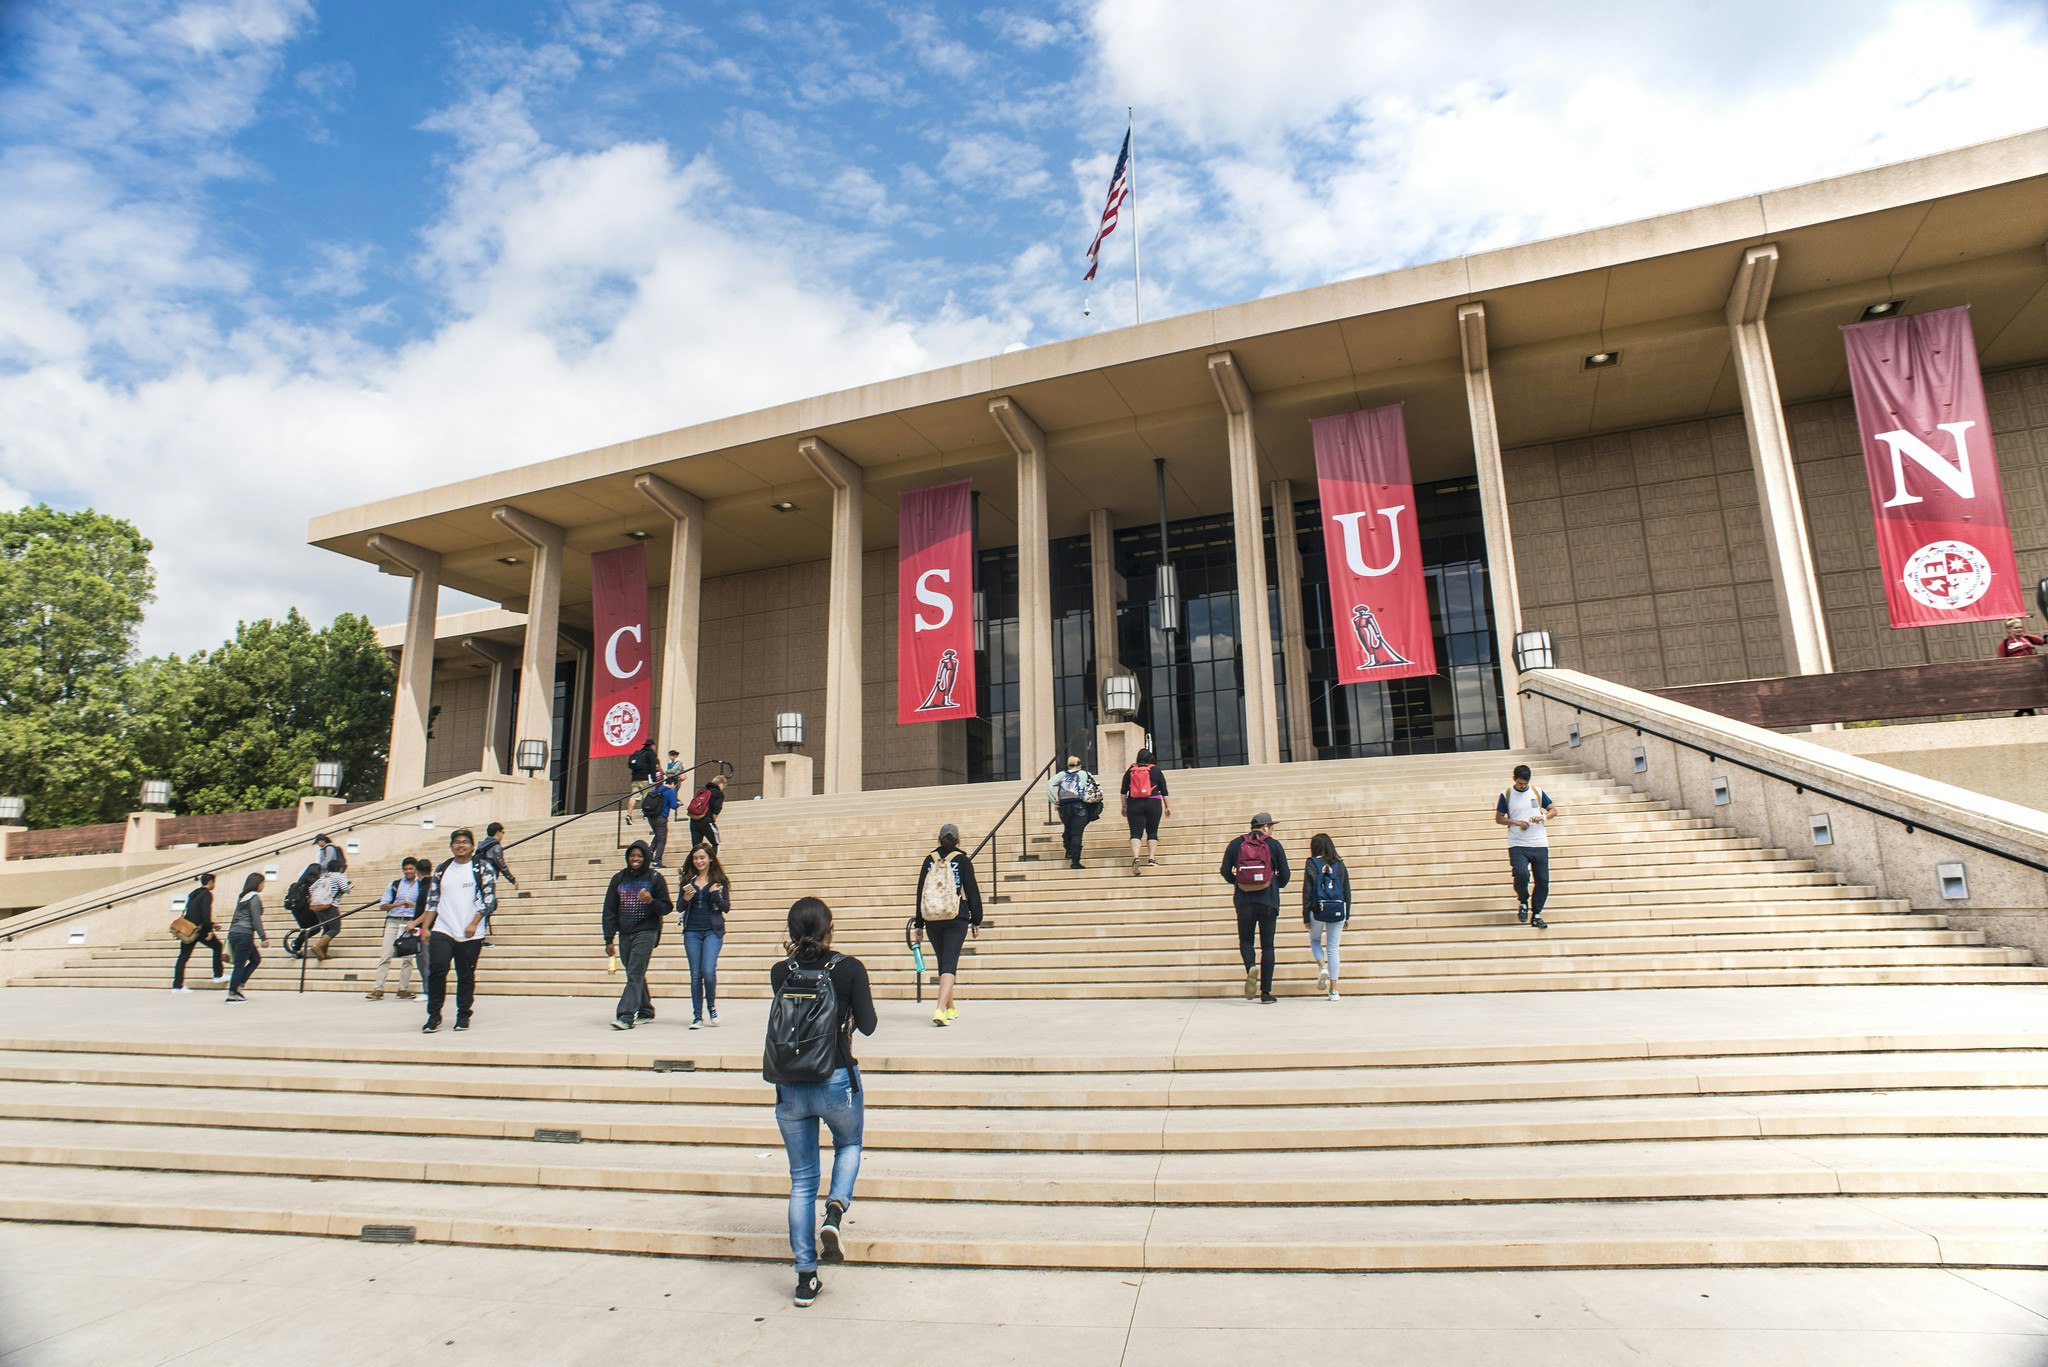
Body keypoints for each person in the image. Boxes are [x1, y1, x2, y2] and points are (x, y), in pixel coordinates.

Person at [768, 897, 877, 1308]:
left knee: (800, 1181)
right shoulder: (849, 968)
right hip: (835, 1076)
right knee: (849, 1145)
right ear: (830, 927)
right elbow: (869, 1025)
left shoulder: (781, 971)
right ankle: (834, 1210)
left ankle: (805, 1277)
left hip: (790, 1084)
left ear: (791, 931)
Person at [411, 827, 498, 1033]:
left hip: (470, 931)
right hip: (444, 928)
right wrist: (425, 928)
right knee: (437, 969)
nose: (461, 845)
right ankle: (434, 1015)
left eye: (465, 842)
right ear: (451, 846)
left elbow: (489, 900)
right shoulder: (443, 869)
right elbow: (433, 901)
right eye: (457, 842)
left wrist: (474, 923)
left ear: (472, 846)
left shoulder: (482, 868)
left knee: (465, 974)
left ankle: (463, 1015)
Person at [912, 824, 983, 1027]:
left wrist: (919, 922)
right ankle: (940, 1009)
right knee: (950, 963)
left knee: (943, 962)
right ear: (958, 840)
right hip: (955, 916)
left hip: (932, 917)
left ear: (939, 838)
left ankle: (951, 1008)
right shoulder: (962, 860)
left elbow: (921, 891)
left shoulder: (929, 860)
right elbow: (972, 891)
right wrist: (976, 919)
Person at [1220, 813, 1291, 1003]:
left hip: (1244, 901)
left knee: (1246, 940)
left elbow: (1224, 871)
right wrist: (1273, 883)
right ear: (1265, 827)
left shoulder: (1236, 844)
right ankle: (1266, 993)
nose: (1272, 831)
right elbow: (1285, 875)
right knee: (1268, 946)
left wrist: (1238, 882)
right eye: (1271, 827)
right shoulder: (1274, 845)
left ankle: (1251, 966)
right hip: (1268, 901)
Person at [601, 839, 671, 1030]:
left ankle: (626, 1015)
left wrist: (651, 901)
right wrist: (609, 939)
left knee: (635, 971)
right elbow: (609, 910)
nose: (636, 859)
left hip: (647, 931)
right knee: (634, 972)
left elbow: (666, 907)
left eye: (640, 856)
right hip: (625, 933)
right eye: (632, 855)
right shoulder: (619, 879)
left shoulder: (655, 878)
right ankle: (646, 1009)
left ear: (646, 857)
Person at [1496, 764, 1561, 931]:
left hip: (1539, 842)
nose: (1522, 786)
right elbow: (1499, 818)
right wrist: (1516, 822)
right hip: (1518, 843)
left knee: (1543, 881)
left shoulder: (1537, 792)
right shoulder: (1506, 794)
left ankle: (1536, 913)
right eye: (1519, 783)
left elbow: (1553, 810)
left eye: (1525, 783)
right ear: (1514, 779)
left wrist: (1543, 817)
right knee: (1521, 874)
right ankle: (1523, 900)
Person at [677, 841, 731, 1028]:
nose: (699, 861)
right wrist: (686, 899)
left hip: (712, 931)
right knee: (695, 975)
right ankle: (697, 1016)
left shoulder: (719, 881)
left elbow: (726, 907)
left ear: (710, 859)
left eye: (702, 857)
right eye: (695, 858)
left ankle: (711, 1007)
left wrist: (715, 894)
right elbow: (679, 907)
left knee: (708, 971)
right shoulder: (688, 880)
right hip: (692, 930)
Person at [1301, 833, 1351, 1001]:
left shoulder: (1312, 863)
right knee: (1333, 948)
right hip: (1337, 909)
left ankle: (1322, 967)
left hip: (1317, 910)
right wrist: (1347, 914)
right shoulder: (1340, 864)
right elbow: (1347, 890)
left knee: (1315, 940)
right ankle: (1334, 991)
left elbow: (1307, 890)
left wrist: (1305, 915)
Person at [367, 858, 423, 1000]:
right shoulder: (395, 884)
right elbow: (383, 905)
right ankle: (378, 988)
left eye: (411, 869)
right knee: (386, 955)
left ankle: (403, 989)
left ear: (415, 869)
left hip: (410, 922)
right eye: (406, 869)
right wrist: (398, 904)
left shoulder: (420, 885)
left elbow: (424, 906)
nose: (408, 872)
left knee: (408, 958)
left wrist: (413, 905)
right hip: (393, 920)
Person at [172, 872, 226, 992]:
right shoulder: (207, 894)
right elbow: (205, 913)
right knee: (218, 946)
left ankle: (177, 986)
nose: (214, 885)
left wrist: (212, 924)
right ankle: (218, 975)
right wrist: (209, 930)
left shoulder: (194, 894)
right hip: (200, 930)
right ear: (210, 882)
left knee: (183, 957)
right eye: (214, 882)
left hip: (188, 930)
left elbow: (194, 913)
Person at [1121, 747, 1170, 875]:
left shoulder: (1131, 770)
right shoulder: (1156, 770)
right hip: (1153, 803)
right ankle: (1152, 859)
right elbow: (1164, 790)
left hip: (1134, 804)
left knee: (1135, 833)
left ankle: (1136, 857)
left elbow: (1123, 791)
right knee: (1152, 832)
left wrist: (1124, 806)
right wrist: (1167, 806)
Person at [224, 871, 268, 1002]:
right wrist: (263, 937)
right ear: (257, 884)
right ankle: (232, 994)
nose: (263, 886)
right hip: (245, 934)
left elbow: (235, 916)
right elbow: (256, 919)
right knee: (240, 964)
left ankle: (239, 987)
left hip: (235, 932)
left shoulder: (242, 897)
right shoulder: (254, 898)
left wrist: (230, 933)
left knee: (255, 959)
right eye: (263, 883)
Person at [1046, 756, 1096, 869]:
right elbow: (1094, 787)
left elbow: (1049, 784)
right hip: (1079, 807)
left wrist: (1054, 800)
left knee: (1068, 828)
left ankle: (1068, 850)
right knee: (1077, 833)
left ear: (1068, 765)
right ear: (1079, 765)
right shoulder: (1084, 774)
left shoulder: (1061, 775)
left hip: (1063, 808)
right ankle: (1075, 861)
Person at [305, 848, 351, 961]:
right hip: (330, 905)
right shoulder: (339, 876)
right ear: (339, 868)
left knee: (327, 928)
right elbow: (345, 888)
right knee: (335, 928)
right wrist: (349, 887)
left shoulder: (324, 876)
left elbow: (311, 888)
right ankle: (318, 946)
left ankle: (323, 953)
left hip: (318, 905)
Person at [1996, 616, 2046, 715]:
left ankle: (2023, 711)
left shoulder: (2027, 638)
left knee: (2033, 692)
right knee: (2025, 693)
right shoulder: (2004, 644)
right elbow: (2002, 661)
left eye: (2020, 627)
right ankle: (2025, 711)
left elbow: (2042, 641)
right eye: (2016, 628)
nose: (2019, 630)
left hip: (2032, 671)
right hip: (2017, 674)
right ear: (2009, 630)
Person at [641, 778, 680, 867]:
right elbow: (673, 805)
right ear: (673, 783)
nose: (675, 787)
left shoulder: (656, 789)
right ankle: (657, 861)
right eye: (675, 785)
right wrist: (679, 803)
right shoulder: (670, 791)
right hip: (661, 817)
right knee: (662, 840)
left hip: (651, 816)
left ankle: (649, 851)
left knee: (658, 835)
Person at [687, 773, 728, 854]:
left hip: (694, 821)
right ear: (720, 784)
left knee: (696, 848)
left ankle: (692, 862)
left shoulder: (702, 791)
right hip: (707, 821)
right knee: (716, 844)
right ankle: (710, 861)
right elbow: (717, 807)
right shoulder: (718, 793)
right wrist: (714, 817)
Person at [476, 822, 519, 889]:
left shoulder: (482, 845)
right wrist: (512, 880)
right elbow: (502, 866)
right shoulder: (496, 847)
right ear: (498, 832)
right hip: (489, 876)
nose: (502, 835)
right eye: (502, 832)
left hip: (478, 875)